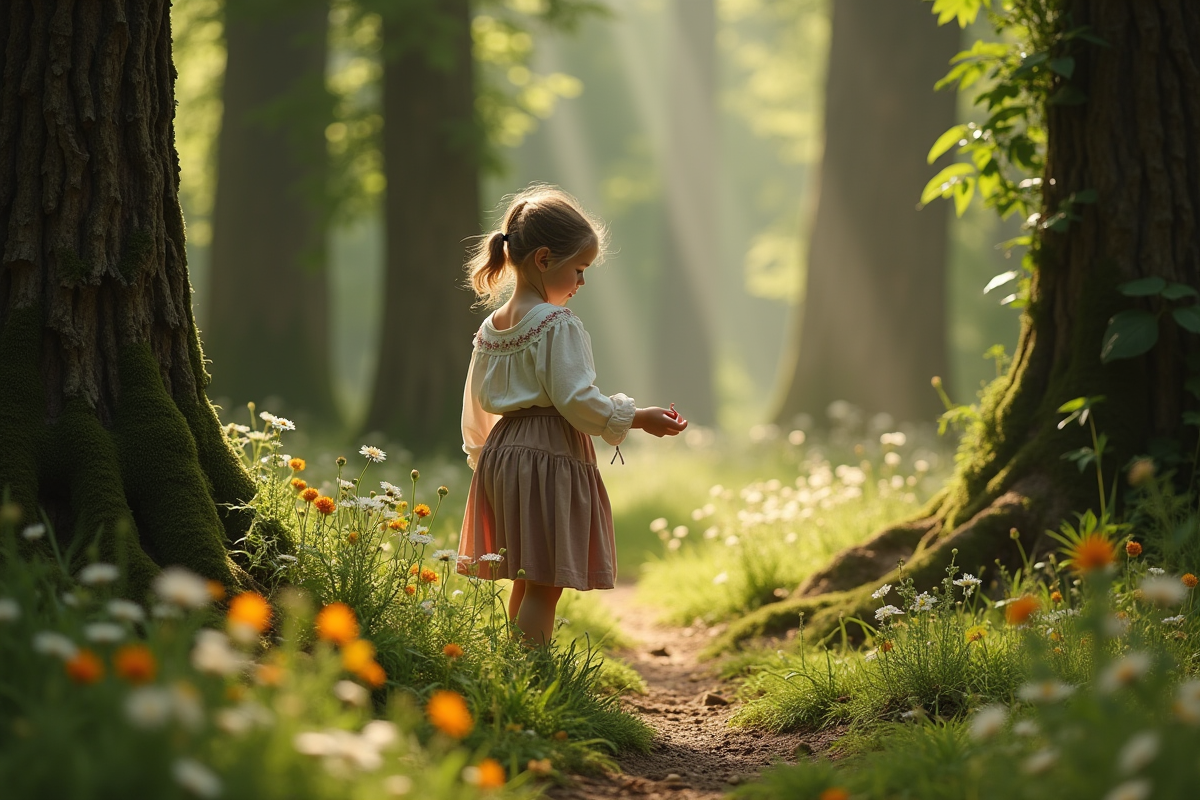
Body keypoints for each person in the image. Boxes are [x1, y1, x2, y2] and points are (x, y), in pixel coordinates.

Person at [457, 185, 687, 645]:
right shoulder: (554, 324)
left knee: (526, 572)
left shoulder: (491, 327)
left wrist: (481, 456)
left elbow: (475, 401)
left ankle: (513, 666)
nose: (581, 284)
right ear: (544, 259)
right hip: (547, 455)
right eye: (578, 270)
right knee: (545, 582)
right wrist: (637, 416)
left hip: (502, 456)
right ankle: (533, 674)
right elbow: (576, 399)